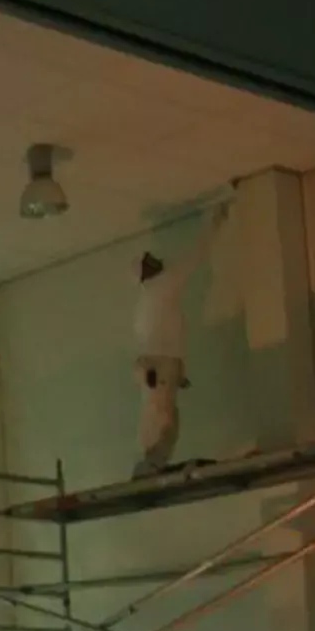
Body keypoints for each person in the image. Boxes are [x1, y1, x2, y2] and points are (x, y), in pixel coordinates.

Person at [132, 201, 231, 477]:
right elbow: (197, 254)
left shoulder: (148, 298)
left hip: (161, 367)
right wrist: (214, 219)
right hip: (159, 367)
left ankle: (152, 464)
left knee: (165, 416)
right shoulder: (162, 285)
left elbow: (148, 343)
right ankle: (150, 465)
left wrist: (170, 372)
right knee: (163, 415)